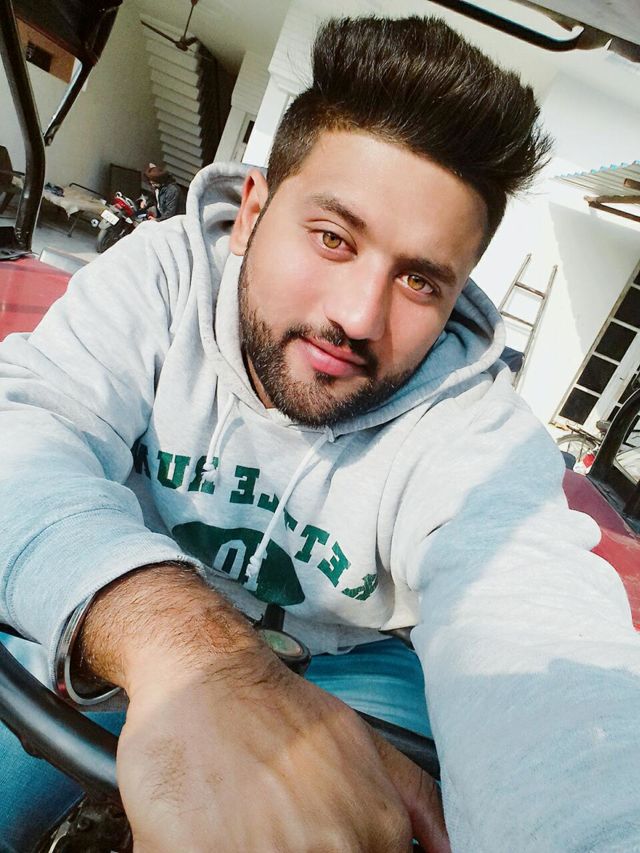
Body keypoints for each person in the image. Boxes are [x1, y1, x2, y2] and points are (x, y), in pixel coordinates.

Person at [0, 14, 639, 853]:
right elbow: (25, 431)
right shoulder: (163, 280)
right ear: (251, 211)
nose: (359, 316)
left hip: (358, 671)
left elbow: (538, 636)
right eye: (334, 238)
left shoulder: (472, 428)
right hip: (128, 621)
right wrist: (196, 654)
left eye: (420, 281)